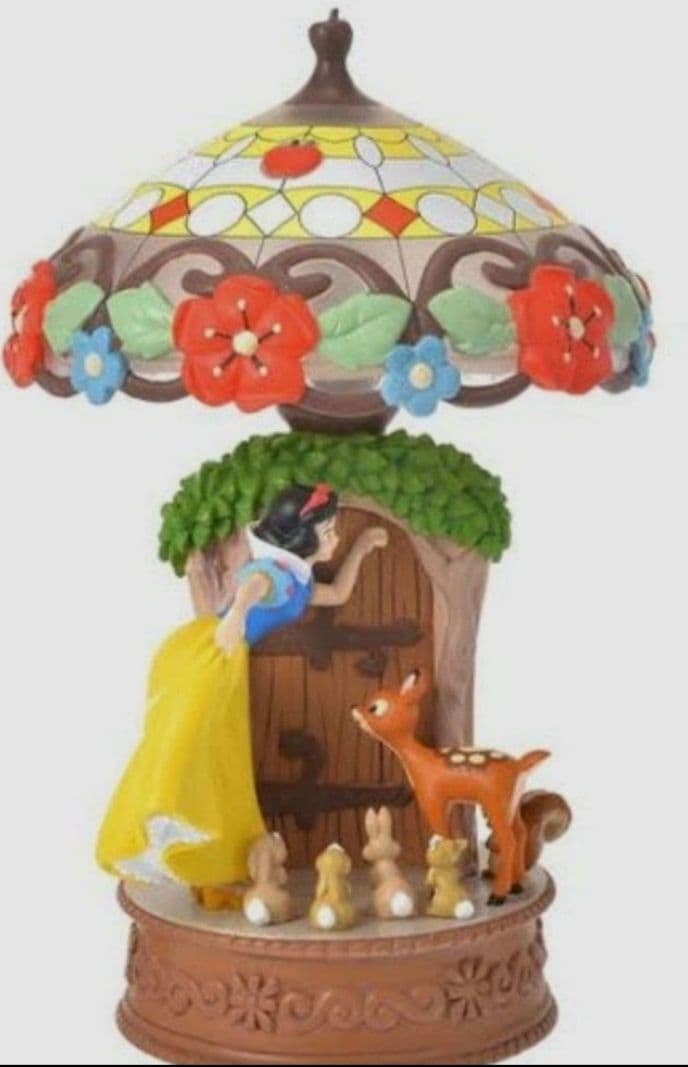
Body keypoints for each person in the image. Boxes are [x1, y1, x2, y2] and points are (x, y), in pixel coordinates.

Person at [96, 483, 388, 906]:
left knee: (219, 750)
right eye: (327, 533)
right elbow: (254, 583)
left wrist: (361, 548)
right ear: (301, 537)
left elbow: (338, 593)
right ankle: (160, 821)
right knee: (188, 736)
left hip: (230, 658)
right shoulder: (275, 574)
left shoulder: (299, 581)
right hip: (214, 652)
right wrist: (235, 616)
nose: (334, 539)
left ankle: (193, 835)